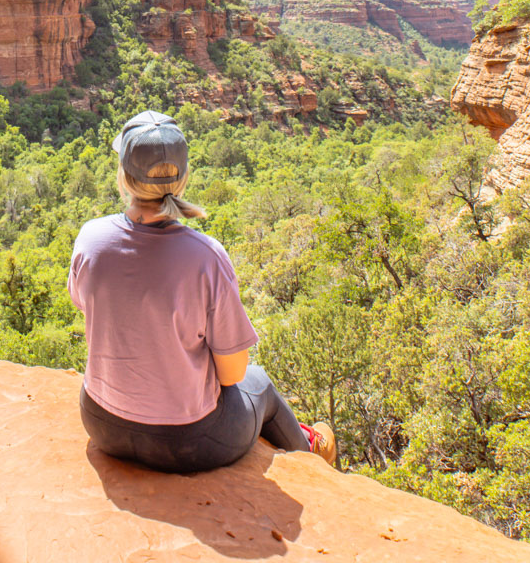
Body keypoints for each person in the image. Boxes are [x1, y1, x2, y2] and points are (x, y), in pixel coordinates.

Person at [67, 109, 336, 473]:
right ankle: (313, 459)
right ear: (183, 179)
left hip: (102, 423)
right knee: (262, 384)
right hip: (187, 442)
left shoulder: (90, 238)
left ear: (123, 176)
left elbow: (89, 309)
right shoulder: (206, 256)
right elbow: (232, 375)